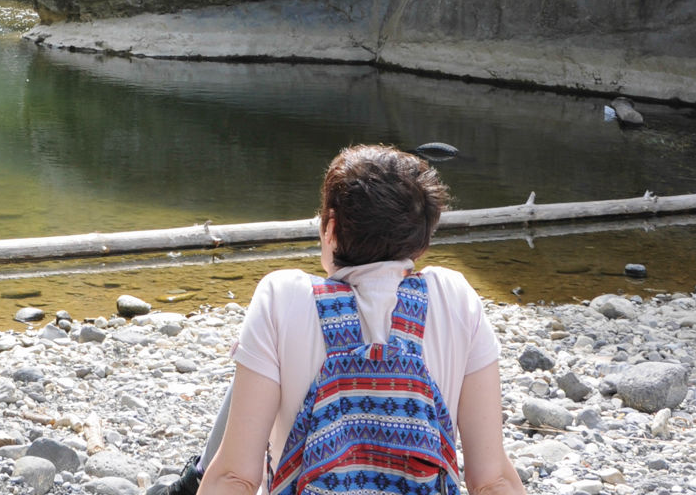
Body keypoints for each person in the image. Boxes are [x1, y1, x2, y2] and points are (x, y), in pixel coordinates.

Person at [175, 143, 526, 495]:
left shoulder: (282, 297)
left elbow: (236, 476)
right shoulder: (455, 297)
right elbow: (492, 480)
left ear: (330, 226)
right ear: (421, 244)